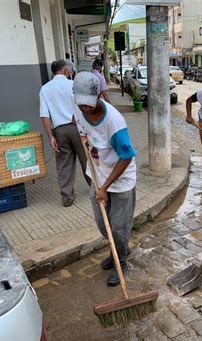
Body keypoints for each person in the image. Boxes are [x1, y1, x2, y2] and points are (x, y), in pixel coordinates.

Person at [73, 72, 137, 286]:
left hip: (120, 178)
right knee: (103, 224)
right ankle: (118, 250)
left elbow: (127, 157)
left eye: (88, 105)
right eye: (81, 104)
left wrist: (105, 188)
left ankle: (122, 261)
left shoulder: (114, 122)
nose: (85, 109)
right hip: (98, 173)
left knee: (118, 227)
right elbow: (77, 120)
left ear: (99, 96)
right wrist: (83, 134)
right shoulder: (79, 108)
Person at [39, 59, 90, 207]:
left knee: (64, 165)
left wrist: (51, 136)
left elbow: (44, 115)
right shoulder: (72, 85)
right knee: (87, 159)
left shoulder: (45, 89)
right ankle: (96, 188)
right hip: (78, 128)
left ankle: (67, 197)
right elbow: (82, 105)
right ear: (66, 71)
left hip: (59, 131)